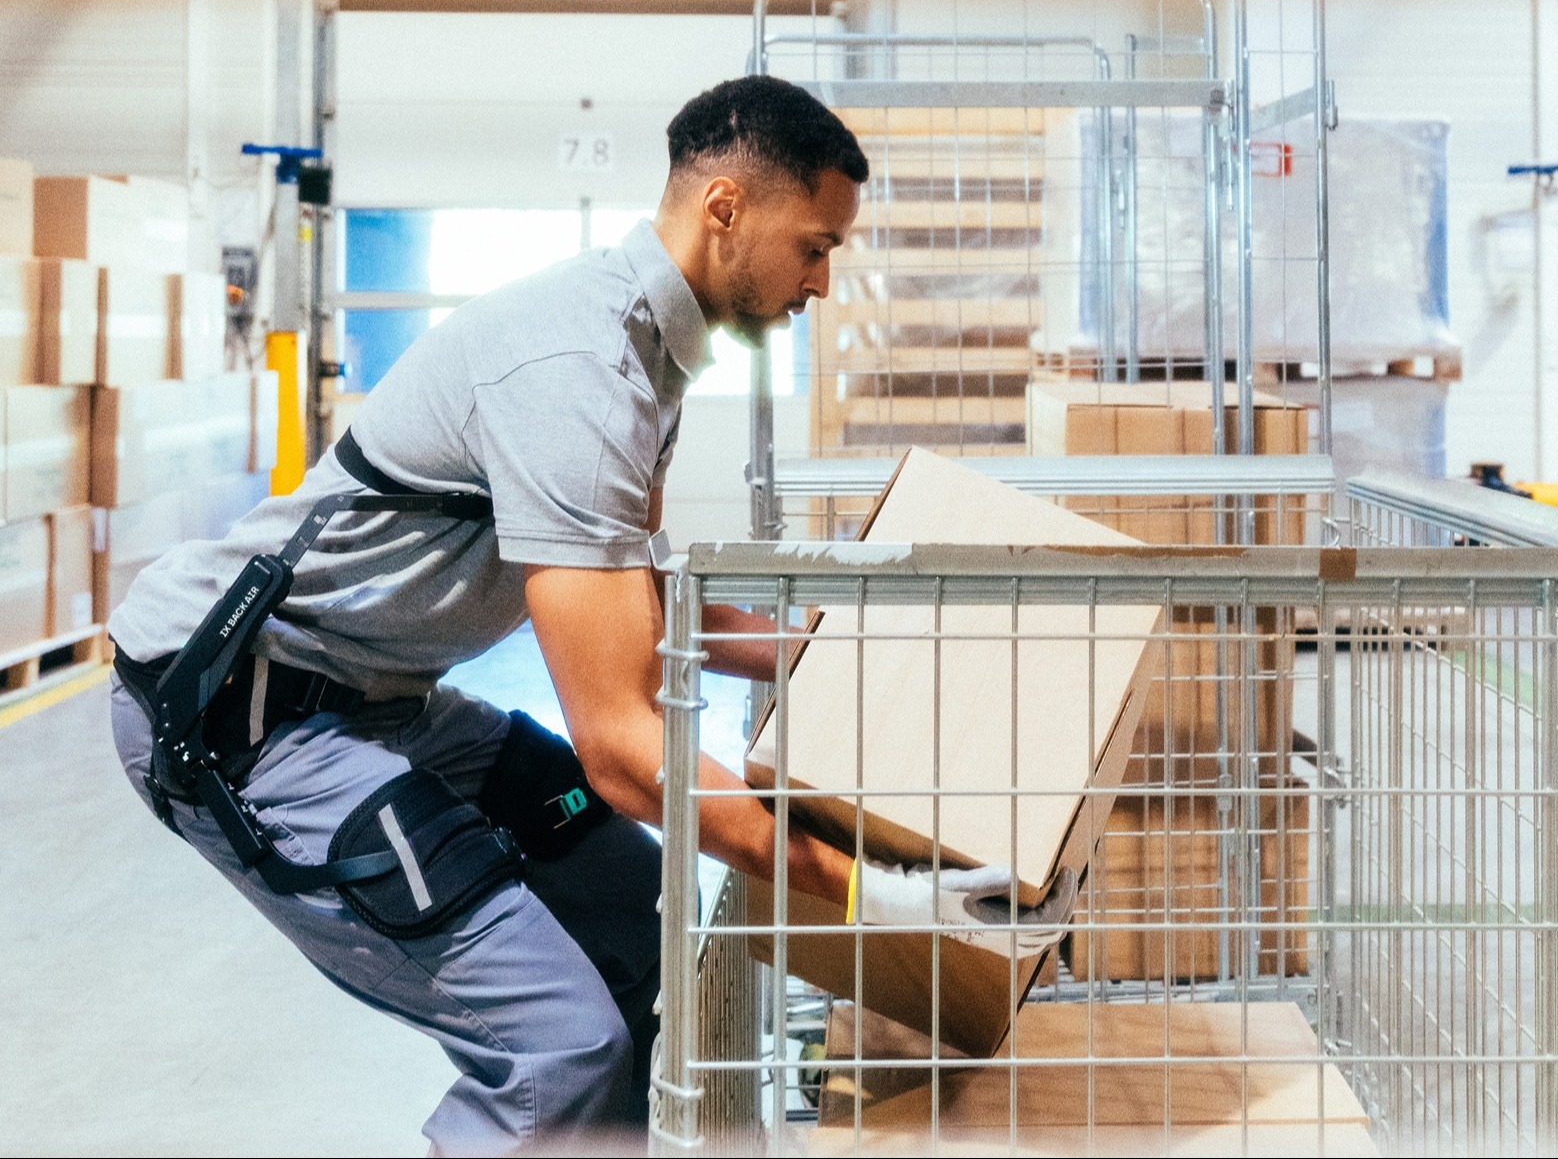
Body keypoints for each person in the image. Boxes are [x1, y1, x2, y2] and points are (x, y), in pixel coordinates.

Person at [106, 75, 1073, 1156]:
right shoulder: (576, 368)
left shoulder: (643, 353)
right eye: (813, 246)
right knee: (556, 1044)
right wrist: (876, 895)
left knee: (630, 919)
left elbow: (639, 603)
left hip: (384, 699)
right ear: (723, 211)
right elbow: (621, 751)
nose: (822, 283)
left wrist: (834, 657)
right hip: (245, 710)